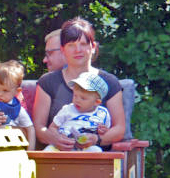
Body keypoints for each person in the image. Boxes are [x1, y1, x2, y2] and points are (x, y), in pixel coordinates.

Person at [32, 17, 125, 151]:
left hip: (96, 158)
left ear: (93, 47)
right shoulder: (47, 82)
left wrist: (97, 140)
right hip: (58, 154)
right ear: (63, 50)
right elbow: (39, 129)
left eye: (83, 44)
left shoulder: (110, 82)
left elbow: (119, 129)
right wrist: (55, 139)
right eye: (71, 45)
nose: (78, 50)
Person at [43, 71, 111, 152]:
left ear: (97, 102)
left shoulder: (102, 113)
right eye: (75, 95)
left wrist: (103, 131)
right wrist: (57, 137)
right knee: (48, 150)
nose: (77, 100)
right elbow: (52, 127)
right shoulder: (67, 109)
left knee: (96, 151)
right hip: (63, 146)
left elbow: (106, 132)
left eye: (83, 98)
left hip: (86, 147)